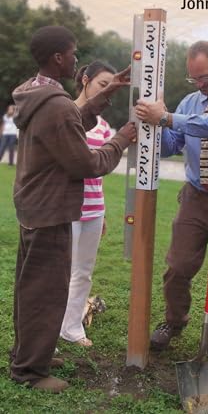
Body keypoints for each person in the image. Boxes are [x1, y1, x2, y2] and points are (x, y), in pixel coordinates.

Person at [10, 26, 136, 393]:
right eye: (74, 53)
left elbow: (71, 121)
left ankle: (32, 354)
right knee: (45, 293)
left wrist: (107, 91)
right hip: (50, 211)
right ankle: (29, 372)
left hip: (36, 207)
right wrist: (121, 139)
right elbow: (86, 164)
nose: (77, 59)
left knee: (31, 288)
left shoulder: (39, 94)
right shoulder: (57, 104)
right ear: (59, 58)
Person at [135, 41, 208, 365]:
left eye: (203, 76)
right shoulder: (190, 101)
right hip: (195, 197)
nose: (199, 84)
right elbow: (174, 141)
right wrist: (150, 134)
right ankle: (174, 322)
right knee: (177, 267)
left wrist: (169, 118)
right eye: (193, 79)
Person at [60, 60, 115, 347]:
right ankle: (50, 327)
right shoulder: (65, 114)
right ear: (85, 80)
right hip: (66, 210)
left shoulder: (104, 127)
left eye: (110, 88)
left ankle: (71, 328)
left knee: (83, 272)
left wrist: (102, 214)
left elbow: (100, 173)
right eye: (102, 85)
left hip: (94, 211)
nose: (106, 92)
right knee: (59, 272)